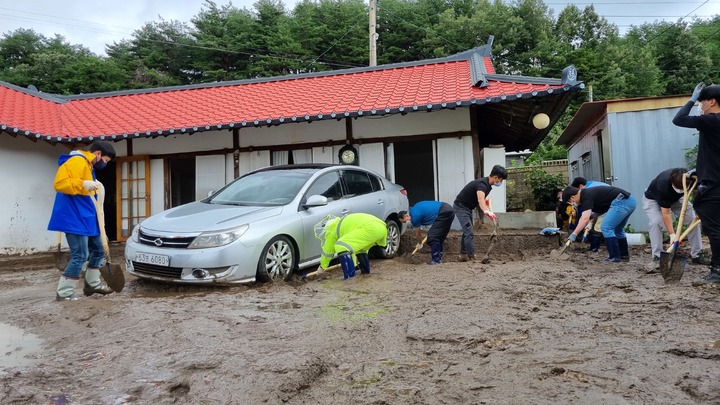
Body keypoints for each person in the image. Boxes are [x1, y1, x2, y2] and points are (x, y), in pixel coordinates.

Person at [48, 141, 116, 301]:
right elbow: (59, 184)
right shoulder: (77, 161)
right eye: (106, 160)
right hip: (74, 217)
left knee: (99, 250)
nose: (105, 164)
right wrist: (82, 184)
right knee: (80, 255)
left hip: (87, 218)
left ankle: (92, 284)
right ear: (98, 154)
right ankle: (64, 293)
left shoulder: (88, 166)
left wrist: (101, 227)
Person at [672, 82, 720, 284]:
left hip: (714, 186)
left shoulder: (711, 120)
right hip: (712, 178)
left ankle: (717, 271)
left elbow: (679, 119)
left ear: (711, 101)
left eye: (702, 101)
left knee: (715, 230)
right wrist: (699, 170)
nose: (700, 105)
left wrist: (691, 100)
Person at [643, 168, 708, 264]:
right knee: (655, 222)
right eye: (678, 188)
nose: (680, 190)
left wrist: (700, 210)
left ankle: (697, 254)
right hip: (653, 198)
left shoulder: (691, 177)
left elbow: (696, 191)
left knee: (692, 219)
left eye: (682, 188)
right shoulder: (663, 185)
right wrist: (672, 235)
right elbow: (666, 213)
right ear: (672, 182)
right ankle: (657, 256)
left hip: (677, 199)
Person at [562, 185, 636, 262]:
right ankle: (624, 256)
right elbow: (598, 212)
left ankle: (614, 257)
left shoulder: (585, 196)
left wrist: (574, 234)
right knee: (618, 229)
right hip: (630, 201)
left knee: (606, 227)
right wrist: (591, 218)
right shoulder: (588, 193)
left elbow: (584, 218)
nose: (572, 204)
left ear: (572, 197)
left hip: (621, 202)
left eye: (570, 202)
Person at [453, 165, 507, 262]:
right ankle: (472, 257)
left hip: (467, 208)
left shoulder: (488, 186)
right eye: (501, 179)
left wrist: (488, 210)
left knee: (467, 231)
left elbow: (483, 200)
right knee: (469, 232)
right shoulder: (482, 184)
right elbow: (480, 199)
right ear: (496, 177)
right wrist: (486, 211)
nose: (501, 182)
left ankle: (463, 255)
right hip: (461, 206)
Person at [315, 213, 388, 279]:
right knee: (360, 249)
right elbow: (351, 250)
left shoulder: (331, 231)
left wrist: (322, 268)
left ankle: (350, 279)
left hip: (369, 228)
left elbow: (327, 253)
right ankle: (366, 274)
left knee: (341, 246)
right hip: (381, 227)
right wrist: (355, 266)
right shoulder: (342, 224)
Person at [399, 200, 456, 265]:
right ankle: (439, 258)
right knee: (439, 236)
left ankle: (436, 260)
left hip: (443, 212)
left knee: (432, 237)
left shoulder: (414, 217)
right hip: (448, 209)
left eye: (404, 221)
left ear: (406, 215)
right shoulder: (414, 209)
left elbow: (418, 233)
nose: (406, 223)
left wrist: (420, 243)